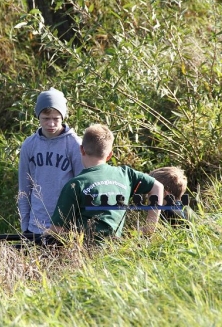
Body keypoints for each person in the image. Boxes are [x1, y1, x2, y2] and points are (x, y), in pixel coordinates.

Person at [47, 123, 164, 240]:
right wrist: (149, 227)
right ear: (109, 155)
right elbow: (158, 187)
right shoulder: (126, 174)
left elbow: (57, 231)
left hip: (86, 254)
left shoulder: (76, 184)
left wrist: (42, 236)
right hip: (116, 252)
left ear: (82, 150)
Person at [17, 87, 84, 234]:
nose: (51, 124)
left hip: (65, 226)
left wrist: (78, 224)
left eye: (56, 118)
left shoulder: (74, 144)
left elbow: (83, 186)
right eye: (46, 119)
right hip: (35, 225)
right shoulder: (29, 145)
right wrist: (24, 226)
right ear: (38, 117)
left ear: (63, 117)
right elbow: (24, 188)